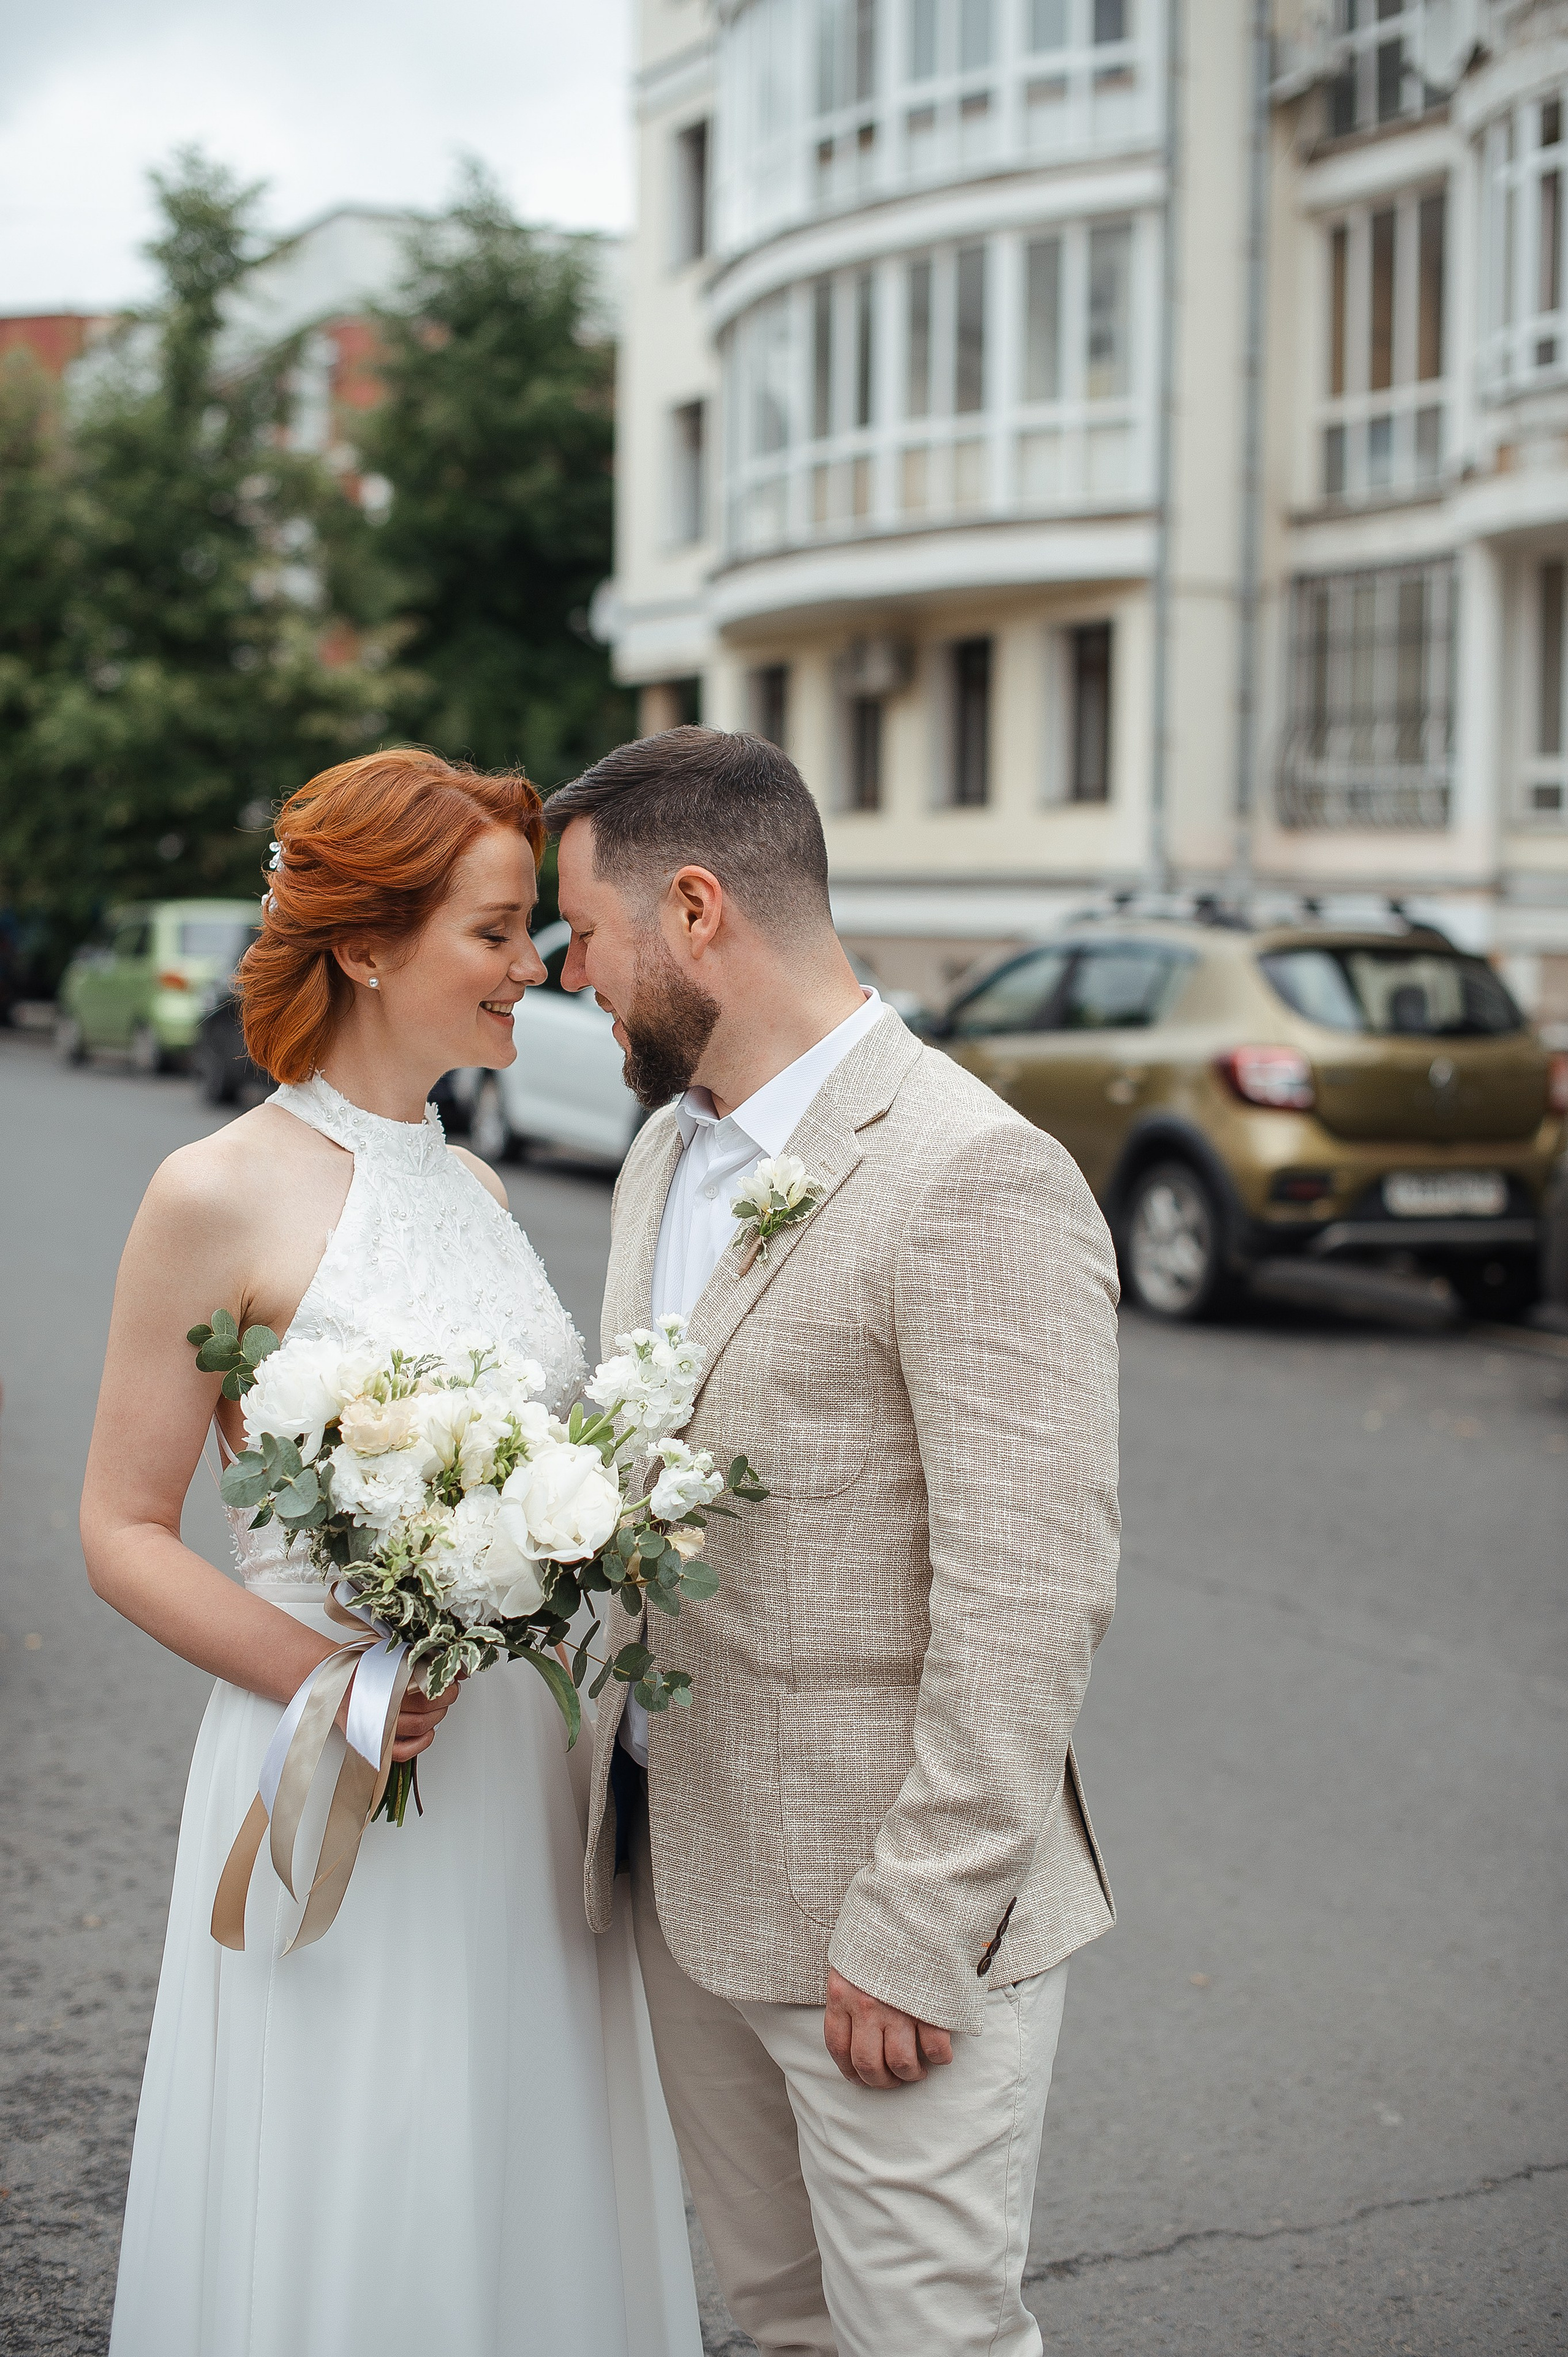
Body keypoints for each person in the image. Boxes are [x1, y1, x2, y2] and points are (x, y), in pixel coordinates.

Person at [82, 749, 702, 2357]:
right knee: (360, 2165)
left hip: (514, 1782)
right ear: (367, 945)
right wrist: (338, 1683)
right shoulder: (211, 1192)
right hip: (324, 1753)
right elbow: (120, 1528)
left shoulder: (480, 1181)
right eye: (497, 934)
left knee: (507, 2163)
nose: (537, 967)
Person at [547, 725, 1121, 2357]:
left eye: (585, 933)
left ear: (698, 910)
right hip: (680, 1870)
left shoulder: (973, 1173)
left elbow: (1033, 1594)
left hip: (886, 1917)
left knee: (926, 2337)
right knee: (781, 2323)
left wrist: (920, 1925)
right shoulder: (665, 1150)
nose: (569, 973)